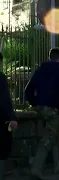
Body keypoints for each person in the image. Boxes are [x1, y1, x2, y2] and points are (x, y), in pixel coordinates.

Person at [24, 47, 59, 178]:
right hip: (53, 109)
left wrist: (34, 103)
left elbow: (28, 90)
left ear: (50, 57)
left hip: (40, 107)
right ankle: (36, 168)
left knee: (53, 135)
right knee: (48, 138)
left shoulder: (39, 70)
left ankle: (56, 166)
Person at [0, 52, 18, 180]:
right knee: (2, 148)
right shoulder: (0, 78)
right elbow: (5, 100)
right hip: (1, 119)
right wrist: (12, 118)